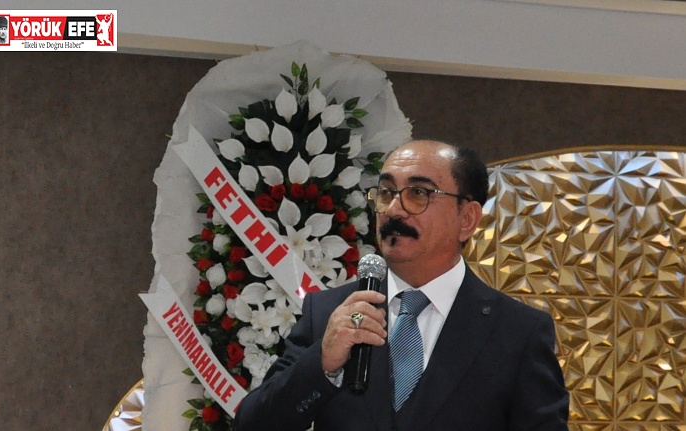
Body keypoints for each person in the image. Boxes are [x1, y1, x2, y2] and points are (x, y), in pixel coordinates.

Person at [233, 139, 569, 430]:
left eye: (419, 193)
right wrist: (322, 363)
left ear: (467, 219)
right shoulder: (327, 313)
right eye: (386, 192)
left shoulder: (517, 332)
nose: (394, 209)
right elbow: (252, 425)